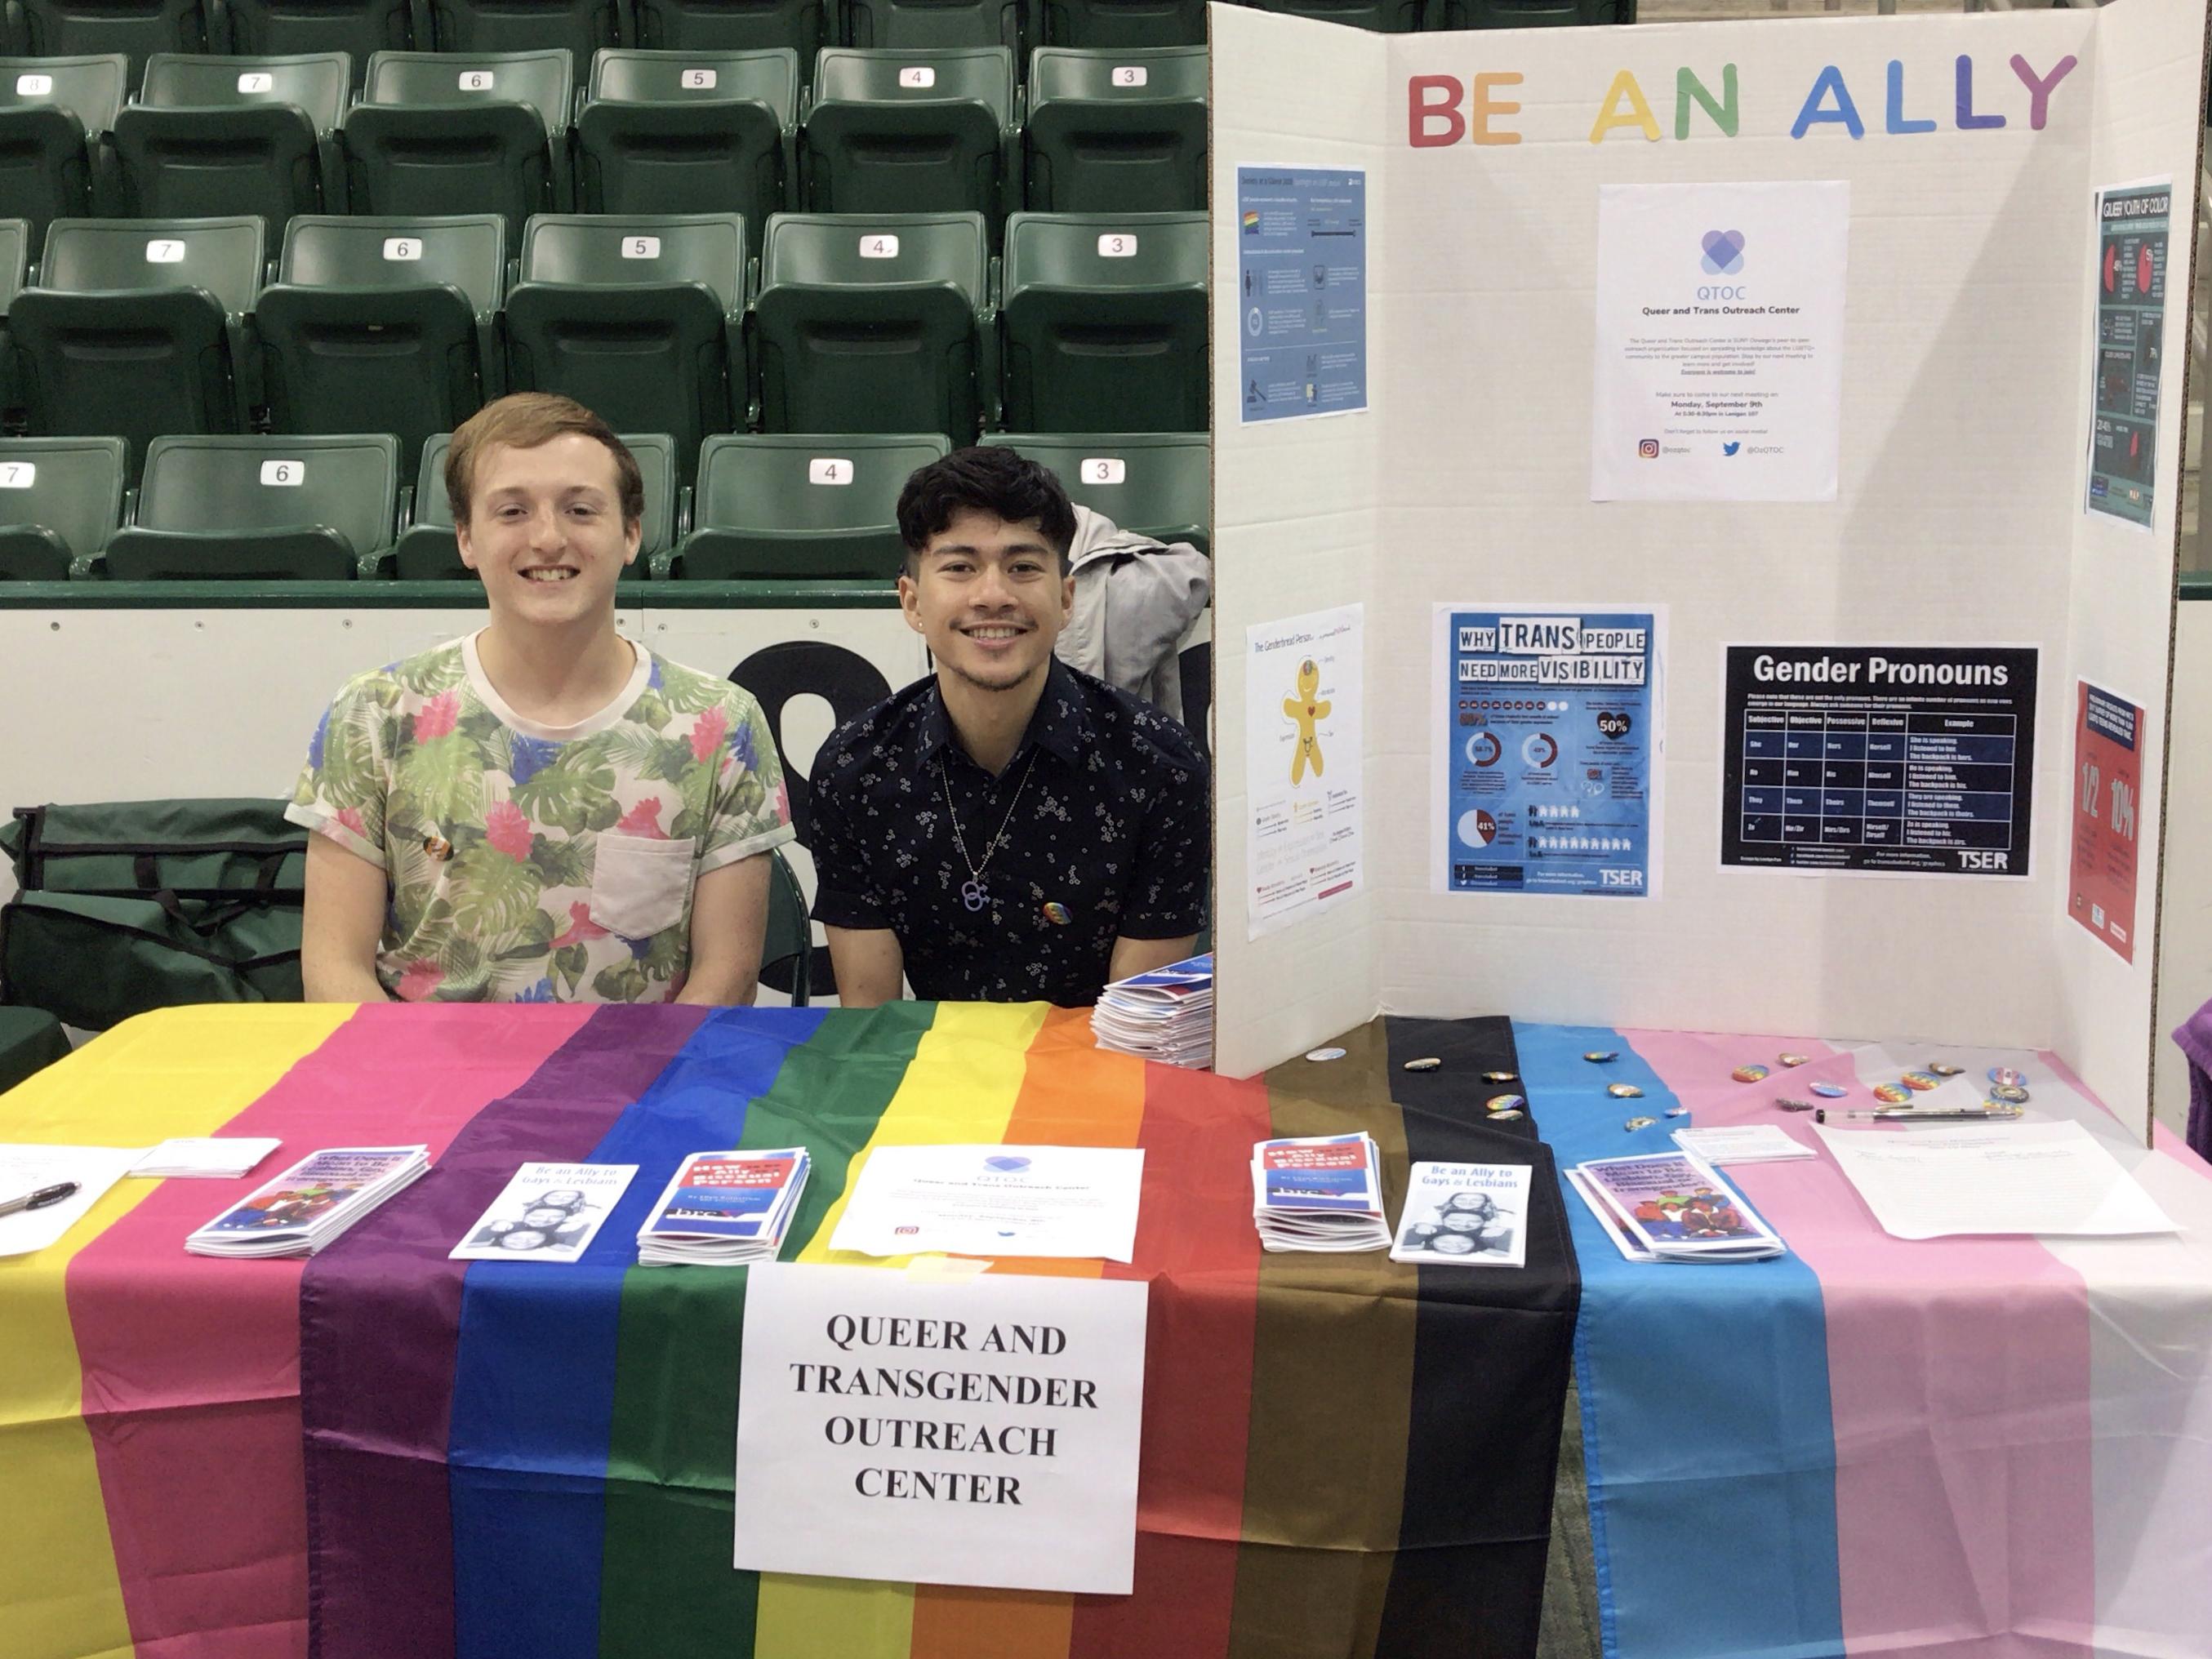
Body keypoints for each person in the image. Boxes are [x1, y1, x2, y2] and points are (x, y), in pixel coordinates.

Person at [287, 394, 794, 1004]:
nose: (548, 538)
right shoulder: (373, 714)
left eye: (580, 510)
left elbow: (725, 977)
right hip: (426, 1090)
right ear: (466, 539)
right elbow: (334, 971)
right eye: (512, 512)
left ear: (631, 534)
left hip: (643, 1087)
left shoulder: (721, 723)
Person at [808, 446, 1209, 1008]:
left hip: (1099, 1078)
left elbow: (1137, 1028)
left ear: (1066, 598)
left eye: (1023, 567)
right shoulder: (854, 769)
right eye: (959, 567)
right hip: (931, 1077)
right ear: (912, 601)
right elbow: (871, 1019)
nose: (993, 595)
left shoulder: (1157, 765)